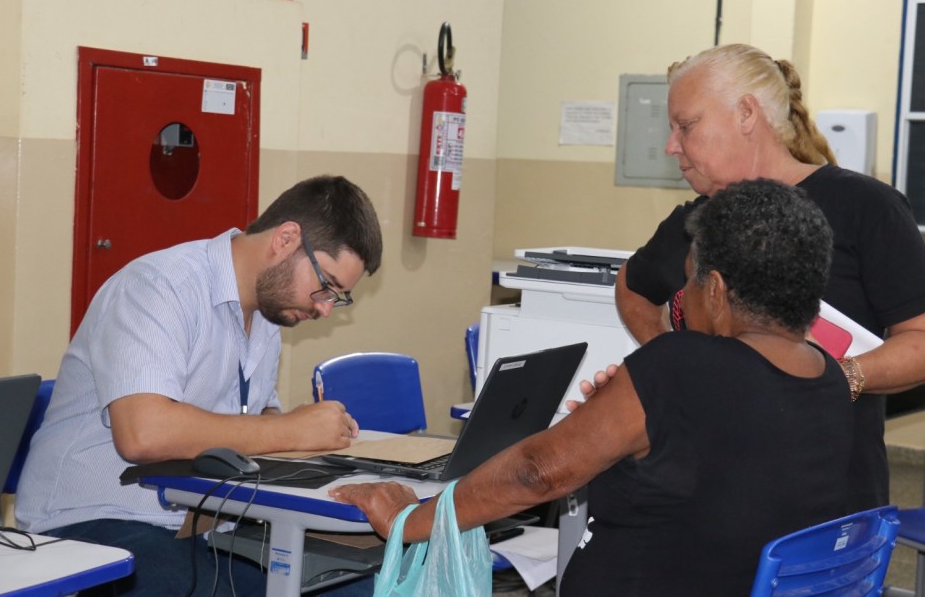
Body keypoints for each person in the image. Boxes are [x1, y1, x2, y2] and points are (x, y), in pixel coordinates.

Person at [333, 179, 855, 596]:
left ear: (715, 290)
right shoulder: (829, 379)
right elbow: (712, 477)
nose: (684, 295)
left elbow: (537, 472)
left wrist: (411, 518)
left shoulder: (681, 364)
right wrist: (622, 419)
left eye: (689, 280)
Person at [614, 43, 925, 512]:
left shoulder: (865, 207)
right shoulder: (692, 221)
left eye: (686, 126)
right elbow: (632, 289)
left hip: (827, 491)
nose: (671, 146)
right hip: (713, 492)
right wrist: (673, 370)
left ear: (746, 113)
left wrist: (839, 378)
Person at [15, 175, 383, 596]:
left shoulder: (269, 314)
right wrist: (291, 430)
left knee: (350, 585)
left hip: (204, 523)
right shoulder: (158, 286)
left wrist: (305, 433)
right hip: (98, 520)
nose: (324, 309)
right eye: (326, 286)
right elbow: (143, 435)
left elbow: (256, 418)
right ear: (285, 239)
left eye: (338, 297)